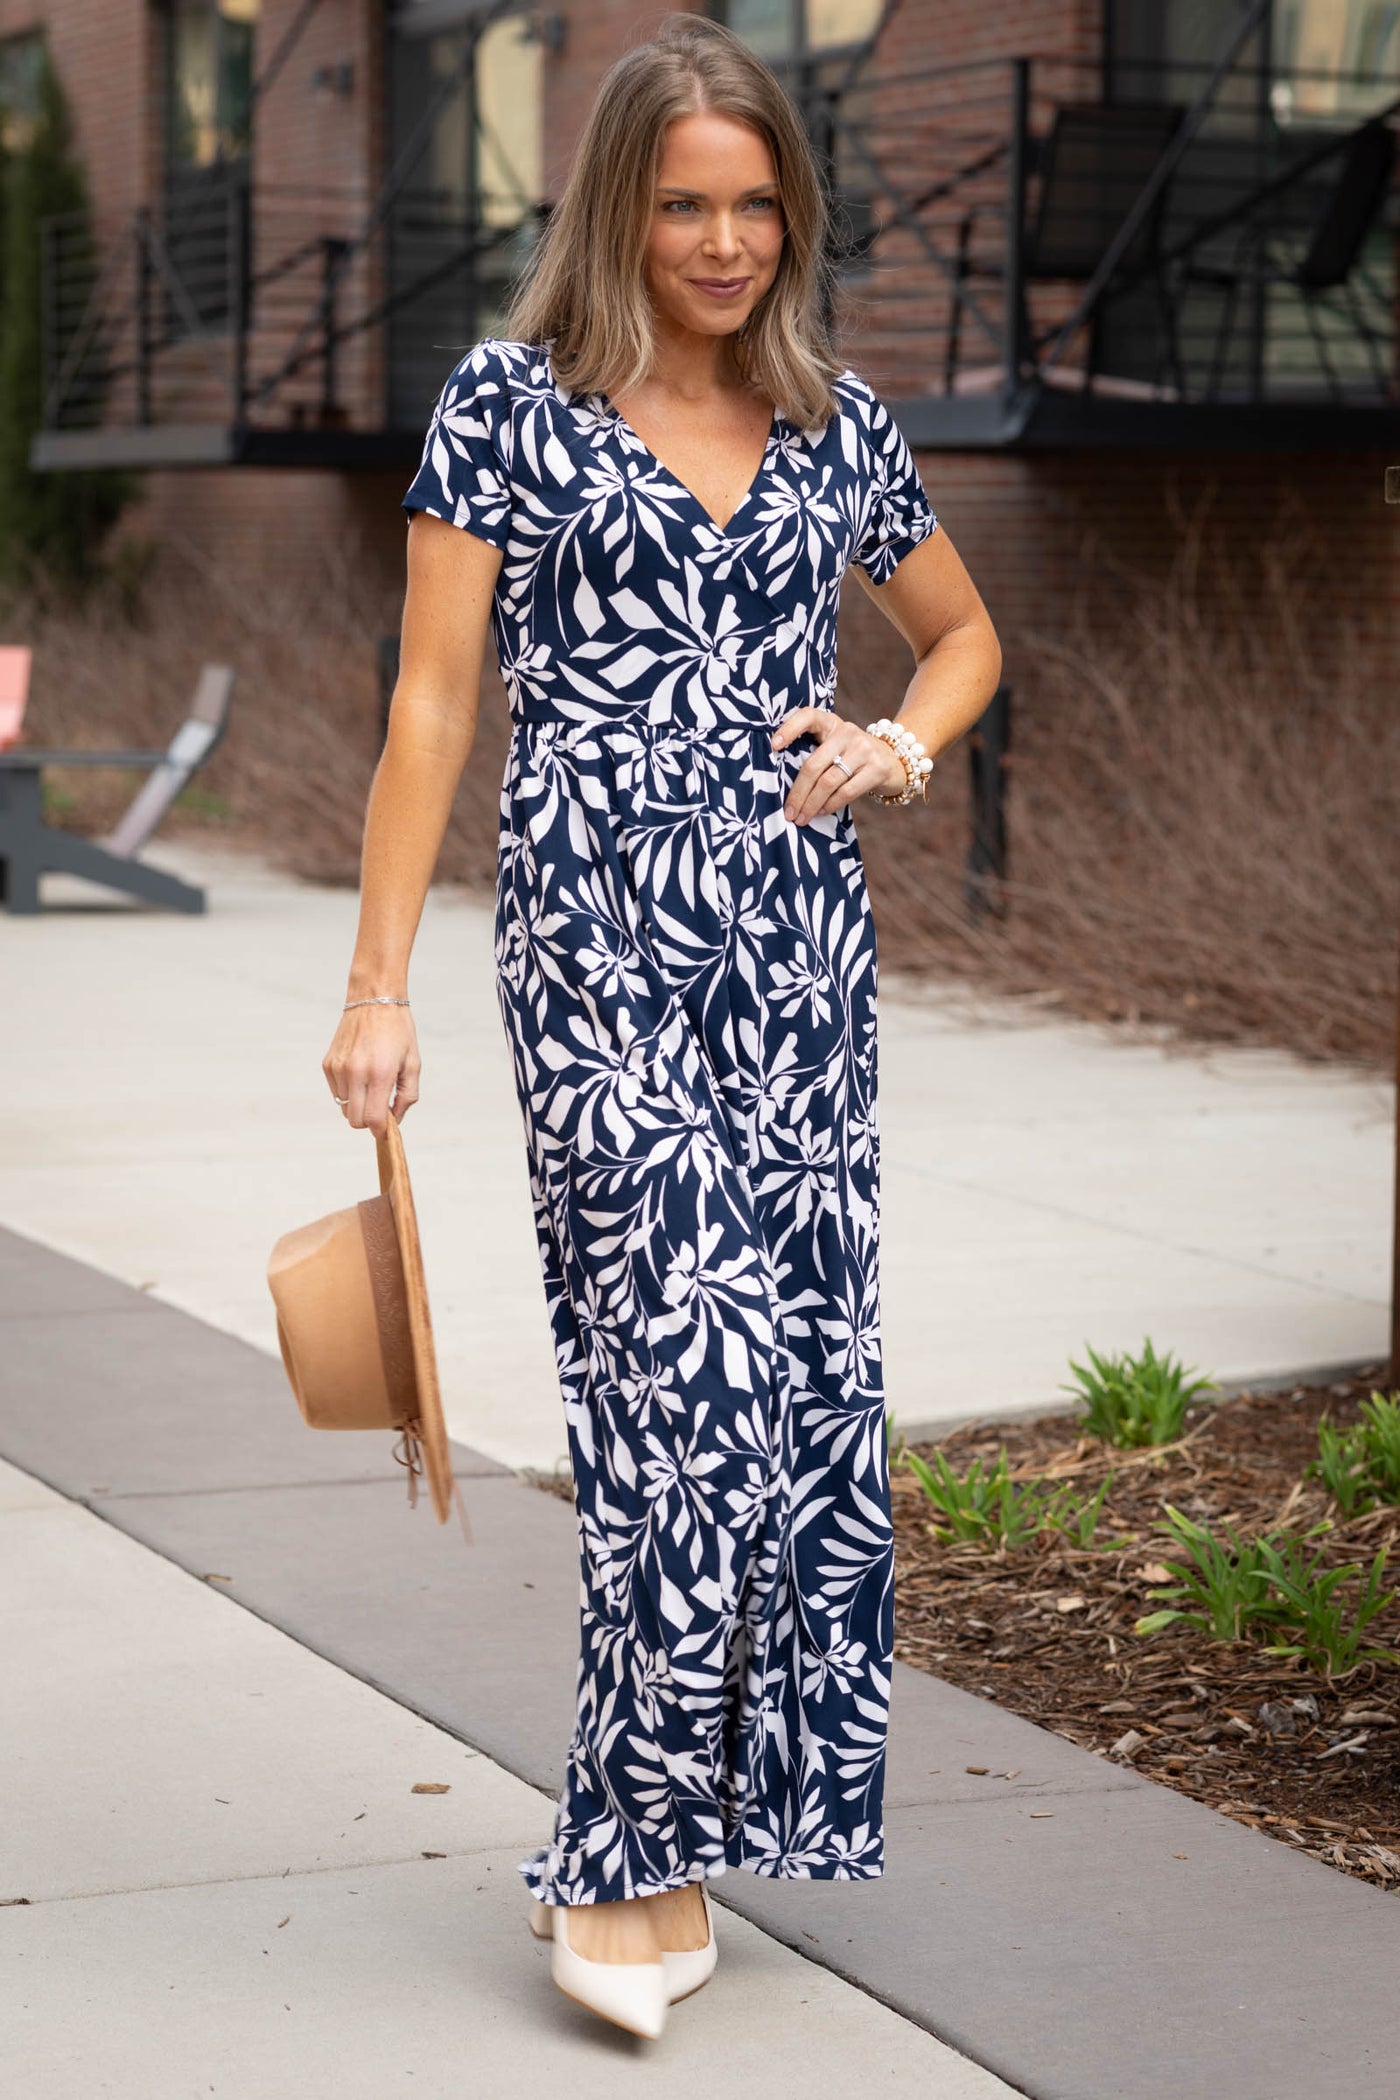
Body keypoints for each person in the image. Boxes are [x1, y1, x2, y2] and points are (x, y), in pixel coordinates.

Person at [323, 11, 1001, 2043]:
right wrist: (376, 989)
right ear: (618, 208)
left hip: (794, 963)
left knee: (792, 1405)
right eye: (685, 205)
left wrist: (893, 741)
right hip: (601, 946)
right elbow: (433, 712)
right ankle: (630, 1845)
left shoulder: (837, 425)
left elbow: (965, 639)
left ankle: (705, 1817)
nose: (723, 243)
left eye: (755, 204)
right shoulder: (509, 408)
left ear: (792, 212)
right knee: (674, 1403)